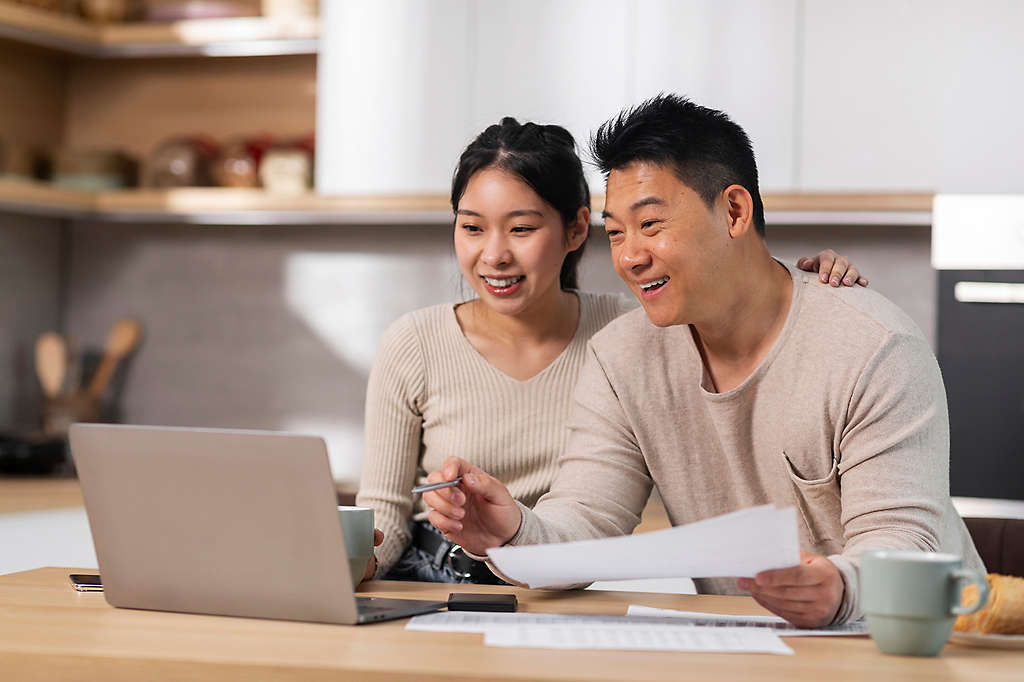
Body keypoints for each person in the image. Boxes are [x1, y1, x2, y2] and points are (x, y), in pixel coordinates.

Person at [422, 95, 983, 627]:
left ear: (735, 211)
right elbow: (586, 520)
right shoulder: (624, 357)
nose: (630, 256)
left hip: (919, 644)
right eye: (615, 233)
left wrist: (840, 587)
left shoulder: (871, 346)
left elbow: (906, 542)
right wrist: (511, 531)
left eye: (651, 224)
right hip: (748, 643)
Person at [357, 116, 868, 584]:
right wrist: (356, 560)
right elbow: (383, 514)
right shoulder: (415, 342)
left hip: (563, 579)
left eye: (521, 228)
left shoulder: (636, 335)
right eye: (472, 227)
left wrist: (803, 291)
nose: (494, 254)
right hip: (440, 577)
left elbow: (730, 304)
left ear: (576, 229)